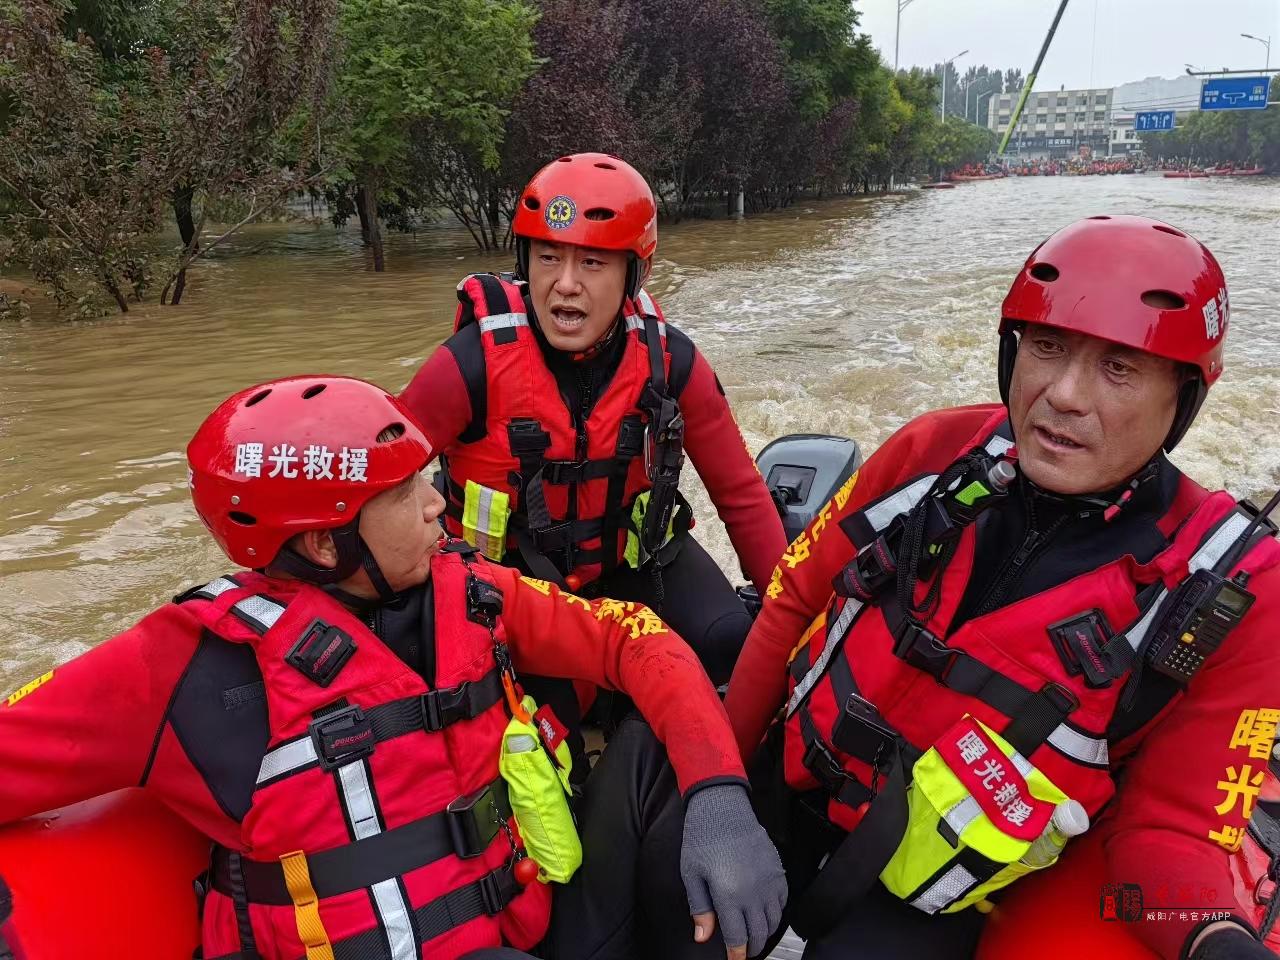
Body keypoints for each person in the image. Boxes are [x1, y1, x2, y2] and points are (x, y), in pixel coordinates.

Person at [0, 375, 786, 960]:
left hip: (524, 924)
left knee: (652, 754)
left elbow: (635, 639)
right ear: (322, 542)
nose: (439, 500)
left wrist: (720, 795)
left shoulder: (470, 590)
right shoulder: (179, 665)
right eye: (406, 489)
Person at [721, 215, 1280, 960]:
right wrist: (719, 786)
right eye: (1047, 347)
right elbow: (792, 600)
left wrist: (1212, 937)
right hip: (789, 785)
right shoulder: (932, 452)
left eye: (1119, 368)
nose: (1066, 395)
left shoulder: (1233, 590)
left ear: (1184, 398)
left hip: (938, 890)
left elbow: (1176, 829)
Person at [400, 153, 786, 691]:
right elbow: (375, 483)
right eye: (548, 257)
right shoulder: (470, 364)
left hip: (634, 565)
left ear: (635, 273)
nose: (565, 284)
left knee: (734, 650)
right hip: (511, 585)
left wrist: (791, 614)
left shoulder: (670, 361)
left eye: (593, 263)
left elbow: (740, 492)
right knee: (545, 722)